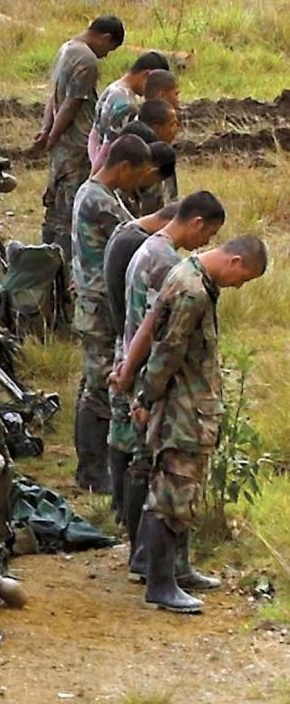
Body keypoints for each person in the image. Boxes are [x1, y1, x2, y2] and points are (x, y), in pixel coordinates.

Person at [126, 236, 267, 612]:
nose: (239, 285)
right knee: (171, 494)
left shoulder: (193, 277)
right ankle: (160, 584)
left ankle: (178, 568)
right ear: (235, 261)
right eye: (244, 278)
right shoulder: (192, 291)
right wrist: (145, 398)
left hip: (192, 408)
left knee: (185, 491)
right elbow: (167, 351)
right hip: (182, 411)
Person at [108, 192, 225, 570]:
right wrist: (138, 386)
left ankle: (147, 558)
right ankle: (146, 560)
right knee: (153, 468)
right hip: (149, 375)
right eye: (209, 233)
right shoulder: (165, 263)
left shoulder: (146, 249)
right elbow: (159, 333)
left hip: (134, 365)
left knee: (144, 463)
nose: (207, 243)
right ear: (196, 223)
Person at [70, 134, 151, 491]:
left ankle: (92, 466)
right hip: (100, 307)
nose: (139, 183)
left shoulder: (97, 193)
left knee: (94, 382)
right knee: (99, 387)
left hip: (95, 304)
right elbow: (137, 237)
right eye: (138, 174)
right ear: (122, 167)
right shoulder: (100, 202)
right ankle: (92, 471)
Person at [101, 201, 179, 513]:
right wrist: (133, 371)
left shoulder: (128, 240)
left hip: (125, 346)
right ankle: (130, 521)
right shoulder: (155, 256)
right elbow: (153, 324)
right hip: (135, 355)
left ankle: (119, 509)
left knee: (120, 433)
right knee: (139, 449)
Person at [34, 15, 126, 264]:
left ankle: (44, 261)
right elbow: (71, 103)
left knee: (54, 210)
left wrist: (47, 130)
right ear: (105, 38)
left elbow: (53, 97)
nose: (106, 55)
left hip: (61, 146)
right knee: (69, 214)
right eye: (110, 48)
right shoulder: (87, 61)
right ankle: (62, 269)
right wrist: (53, 135)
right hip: (76, 146)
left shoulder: (66, 49)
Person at [89, 51, 171, 170]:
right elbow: (109, 147)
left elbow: (94, 134)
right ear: (147, 75)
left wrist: (94, 162)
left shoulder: (111, 89)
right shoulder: (127, 105)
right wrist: (96, 174)